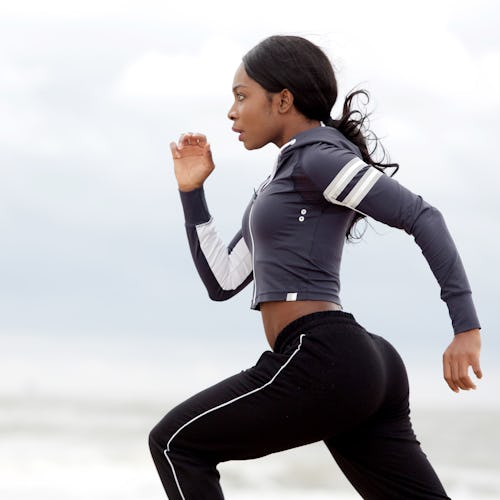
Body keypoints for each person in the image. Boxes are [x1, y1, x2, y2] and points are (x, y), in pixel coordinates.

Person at [149, 35, 482, 499]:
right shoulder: (282, 181)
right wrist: (192, 192)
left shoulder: (320, 158)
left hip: (322, 354)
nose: (231, 112)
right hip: (352, 364)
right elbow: (222, 281)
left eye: (242, 96)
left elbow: (422, 216)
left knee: (175, 443)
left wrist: (465, 327)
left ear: (283, 100)